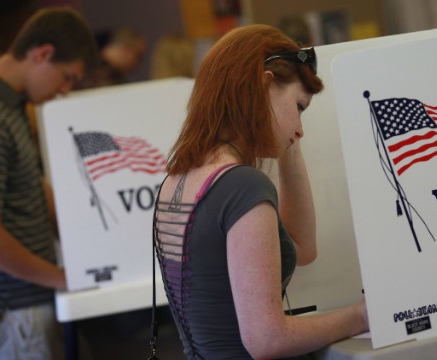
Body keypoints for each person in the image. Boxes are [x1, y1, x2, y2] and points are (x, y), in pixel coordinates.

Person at [153, 24, 369, 359]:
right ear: (263, 85)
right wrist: (358, 316)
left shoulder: (177, 179)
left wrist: (285, 137)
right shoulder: (242, 186)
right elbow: (267, 338)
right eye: (299, 106)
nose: (300, 129)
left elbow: (302, 248)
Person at [0, 6, 98, 360]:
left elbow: (31, 185)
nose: (65, 91)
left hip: (25, 301)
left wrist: (85, 245)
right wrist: (61, 277)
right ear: (43, 54)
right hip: (7, 309)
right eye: (67, 77)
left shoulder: (7, 104)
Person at [77, 25, 145, 89]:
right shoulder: (95, 72)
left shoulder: (89, 65)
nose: (136, 64)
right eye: (138, 56)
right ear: (126, 49)